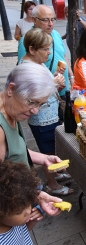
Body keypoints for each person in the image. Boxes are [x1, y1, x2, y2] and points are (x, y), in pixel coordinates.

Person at [0, 64, 67, 215]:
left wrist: (43, 158)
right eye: (31, 102)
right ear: (11, 89)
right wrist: (35, 195)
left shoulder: (11, 110)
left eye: (40, 104)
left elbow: (14, 149)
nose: (35, 110)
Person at [18, 28, 73, 196]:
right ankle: (52, 184)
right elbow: (32, 96)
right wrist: (54, 84)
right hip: (41, 118)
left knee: (53, 147)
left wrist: (55, 76)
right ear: (32, 49)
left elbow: (44, 83)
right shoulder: (27, 68)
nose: (49, 53)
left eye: (49, 48)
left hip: (50, 115)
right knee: (47, 151)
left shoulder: (37, 63)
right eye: (45, 49)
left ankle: (55, 173)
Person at [17, 4, 73, 98]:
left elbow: (63, 55)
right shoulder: (27, 40)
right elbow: (25, 72)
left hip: (62, 91)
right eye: (45, 20)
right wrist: (52, 82)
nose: (50, 24)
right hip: (43, 96)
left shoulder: (56, 34)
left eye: (52, 19)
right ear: (34, 20)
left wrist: (71, 76)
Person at [0, 161, 42, 244]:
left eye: (28, 203)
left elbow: (21, 233)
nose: (28, 211)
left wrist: (33, 220)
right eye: (19, 211)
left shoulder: (11, 221)